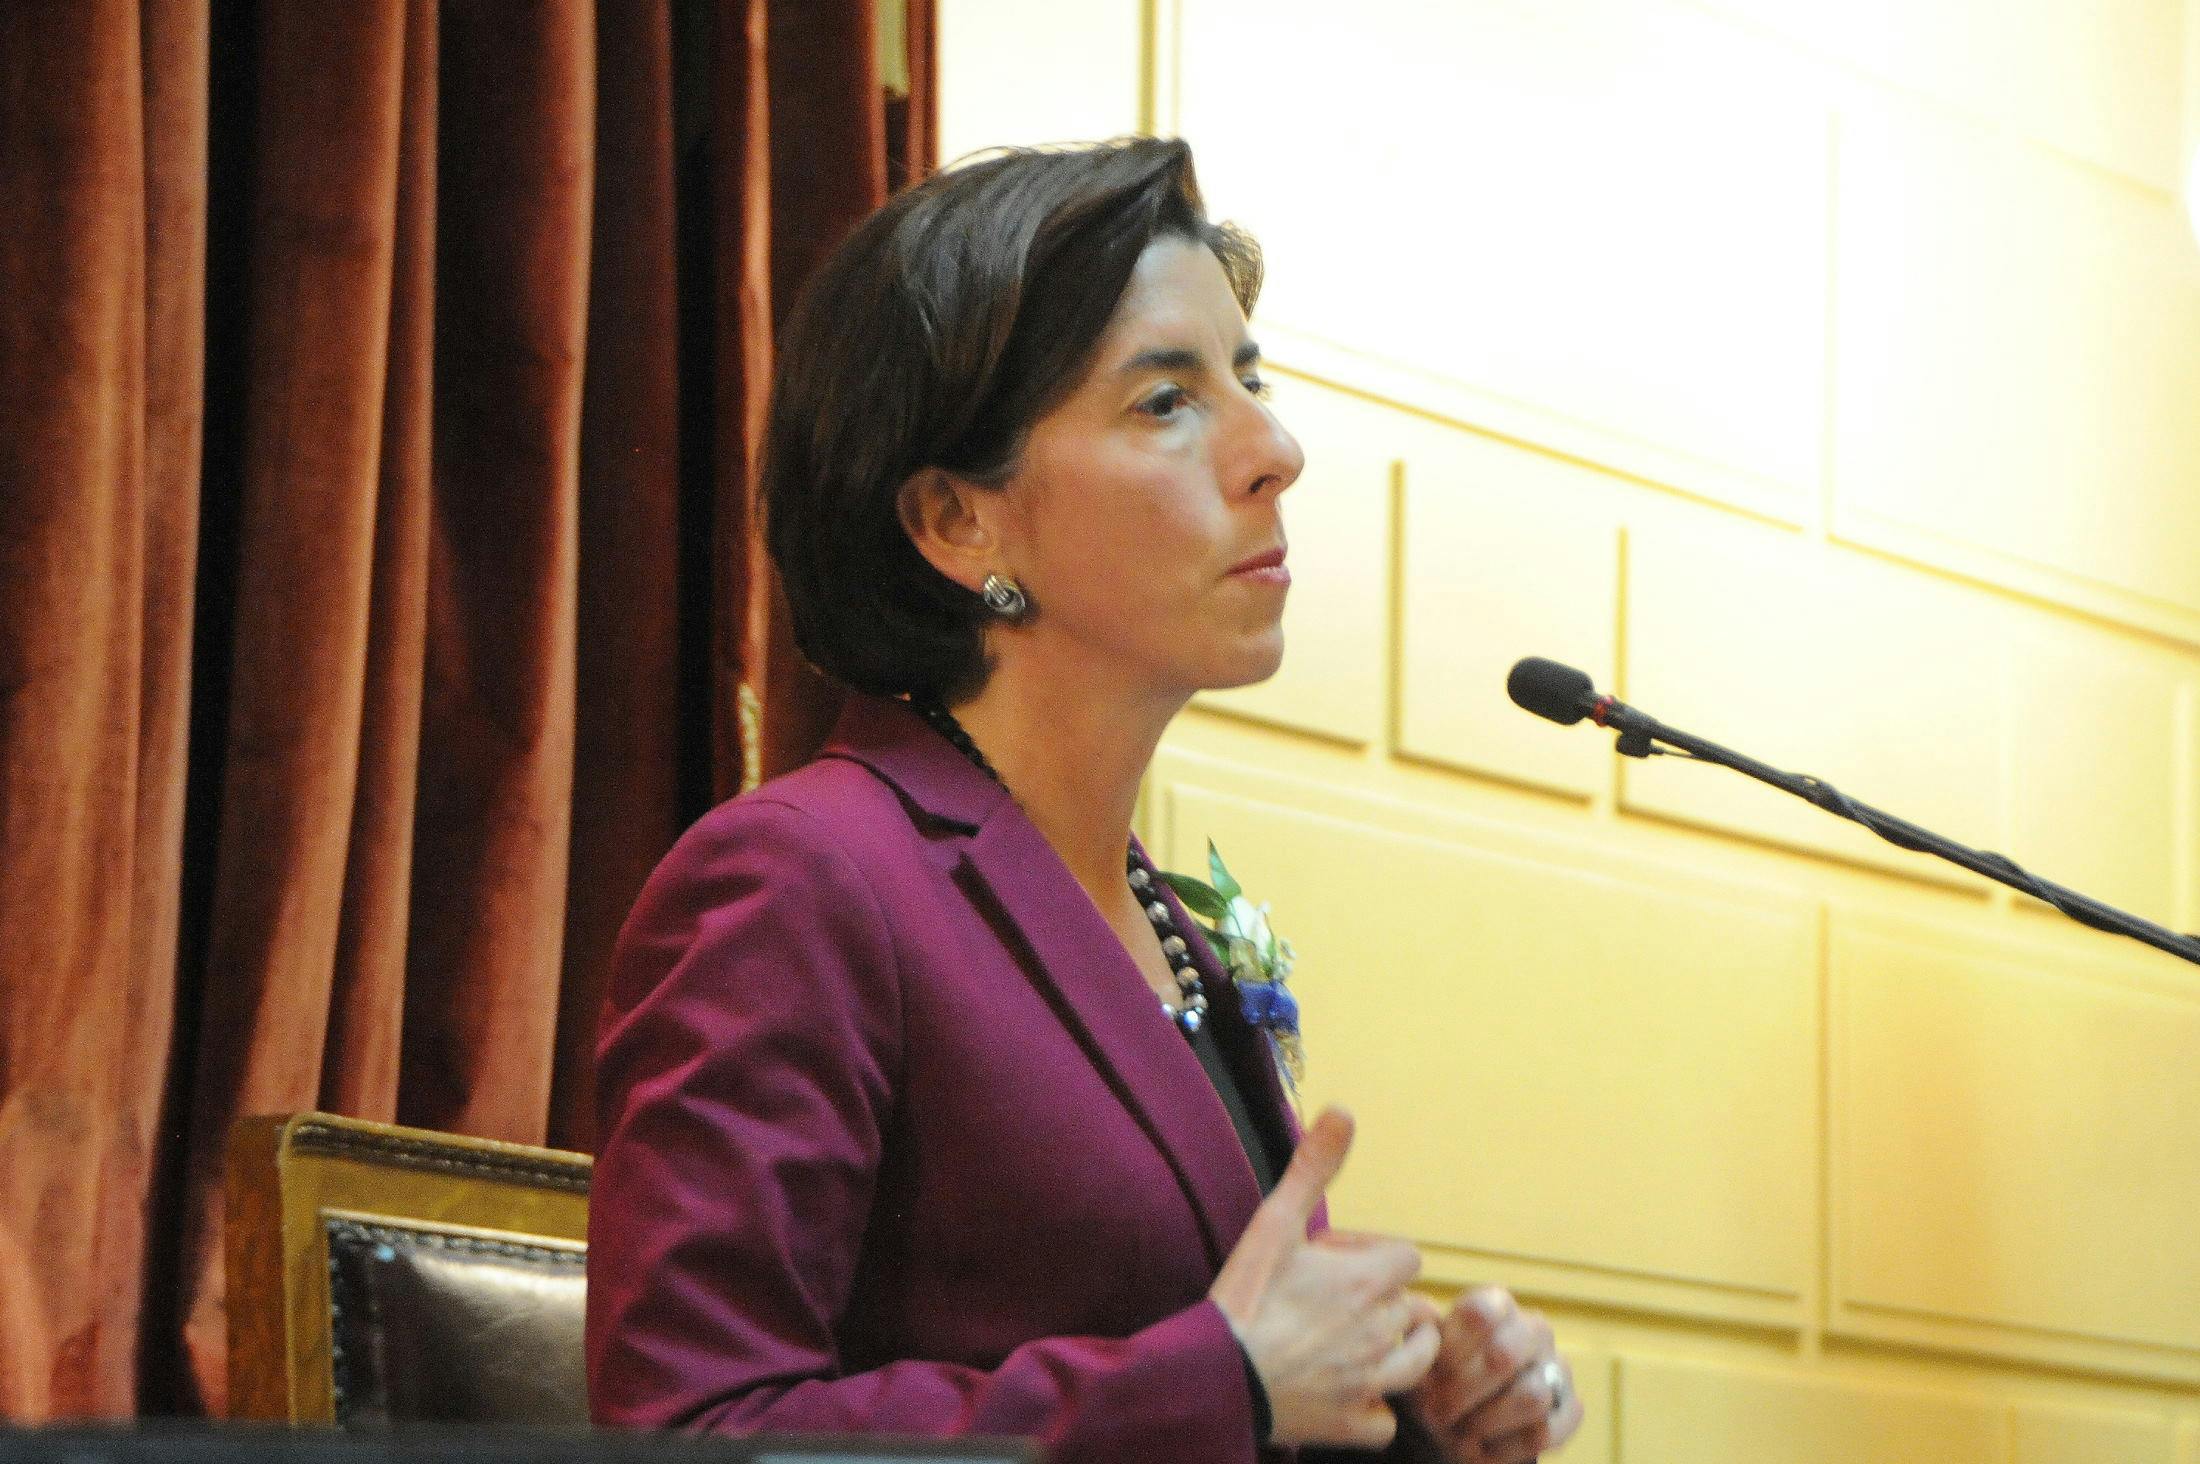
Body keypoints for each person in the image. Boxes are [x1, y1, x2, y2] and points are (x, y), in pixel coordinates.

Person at [585, 136, 1584, 1464]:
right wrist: (1221, 1385)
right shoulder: (802, 881)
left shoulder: (1163, 918)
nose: (1275, 449)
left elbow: (1238, 1382)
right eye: (1167, 401)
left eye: (1250, 380)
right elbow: (691, 1431)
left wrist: (1416, 1418)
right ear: (957, 522)